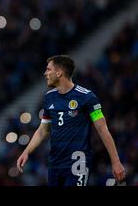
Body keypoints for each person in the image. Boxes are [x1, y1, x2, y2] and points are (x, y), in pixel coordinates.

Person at [16, 55, 126, 186]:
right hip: (55, 163)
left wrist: (115, 161)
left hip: (77, 162)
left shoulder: (86, 97)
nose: (45, 73)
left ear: (59, 72)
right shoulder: (49, 97)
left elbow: (103, 129)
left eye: (48, 69)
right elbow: (43, 130)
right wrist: (26, 151)